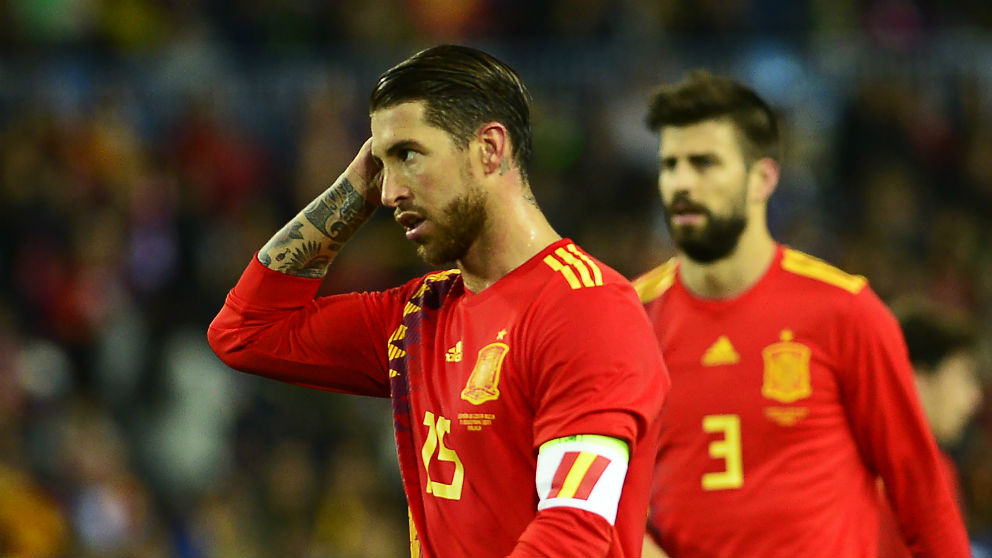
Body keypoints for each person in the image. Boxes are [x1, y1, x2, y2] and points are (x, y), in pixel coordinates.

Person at [208, 44, 669, 558]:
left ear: (490, 149)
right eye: (380, 164)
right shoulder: (419, 316)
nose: (389, 192)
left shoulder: (587, 309)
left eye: (408, 154)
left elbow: (573, 530)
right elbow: (245, 332)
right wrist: (352, 189)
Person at [631, 70, 970, 557]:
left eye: (704, 164)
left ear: (763, 178)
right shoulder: (630, 319)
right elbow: (595, 491)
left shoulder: (844, 311)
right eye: (670, 165)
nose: (681, 183)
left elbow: (924, 498)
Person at [877, 303, 984, 557]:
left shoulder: (847, 458)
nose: (973, 398)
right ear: (918, 378)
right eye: (963, 376)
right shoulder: (931, 472)